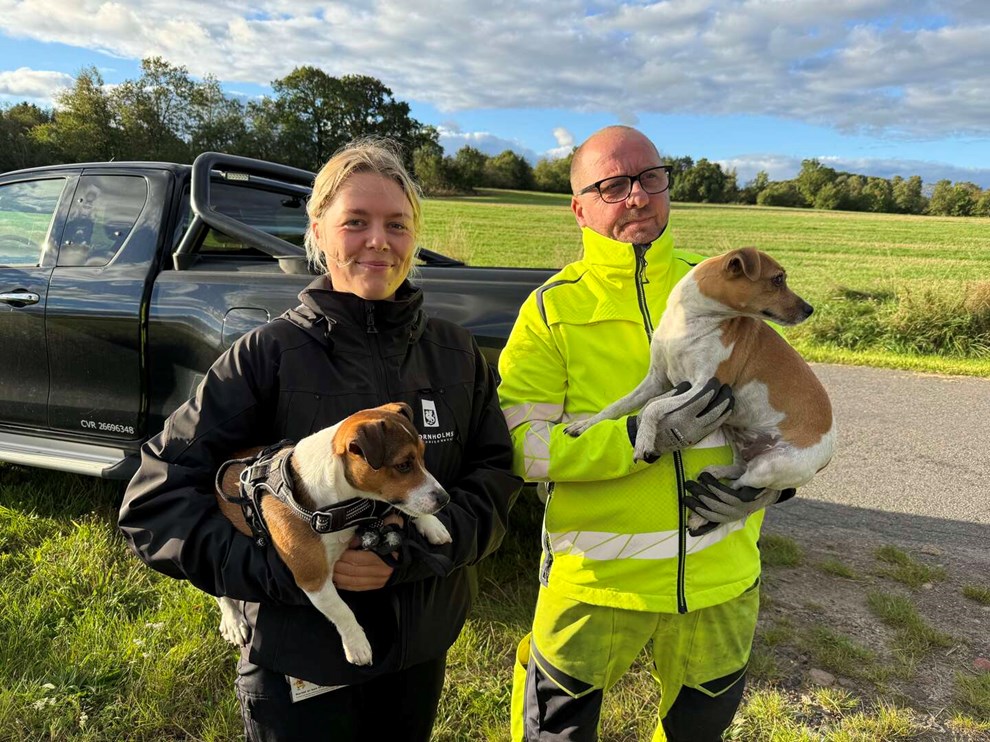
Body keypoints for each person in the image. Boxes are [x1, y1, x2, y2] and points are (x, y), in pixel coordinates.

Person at [119, 138, 522, 741]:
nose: (377, 241)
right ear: (318, 229)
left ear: (415, 235)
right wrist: (291, 571)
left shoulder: (454, 352)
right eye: (355, 222)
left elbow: (494, 477)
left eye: (397, 224)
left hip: (419, 649)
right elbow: (153, 503)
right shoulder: (268, 355)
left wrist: (408, 556)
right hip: (297, 658)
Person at [498, 125, 795, 741]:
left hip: (721, 578)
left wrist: (778, 480)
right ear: (578, 207)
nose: (636, 197)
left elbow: (781, 406)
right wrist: (641, 437)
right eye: (612, 185)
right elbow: (524, 450)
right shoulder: (550, 311)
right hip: (596, 583)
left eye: (650, 178)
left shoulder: (724, 286)